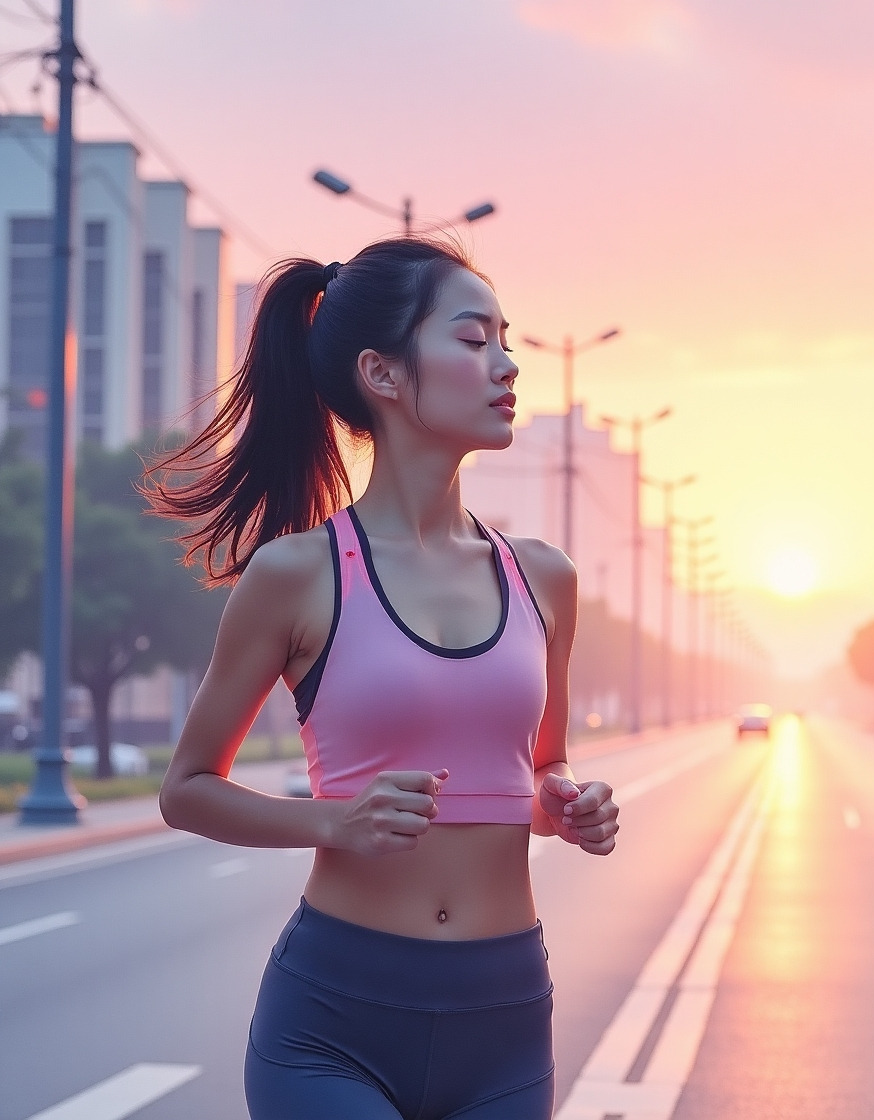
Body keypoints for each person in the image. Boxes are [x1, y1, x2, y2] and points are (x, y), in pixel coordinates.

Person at [148, 237, 620, 1120]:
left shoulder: (543, 576)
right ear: (385, 374)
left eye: (505, 341)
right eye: (475, 340)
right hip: (333, 1022)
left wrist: (569, 801)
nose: (508, 364)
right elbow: (187, 791)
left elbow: (539, 773)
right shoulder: (298, 573)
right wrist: (336, 821)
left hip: (505, 1018)